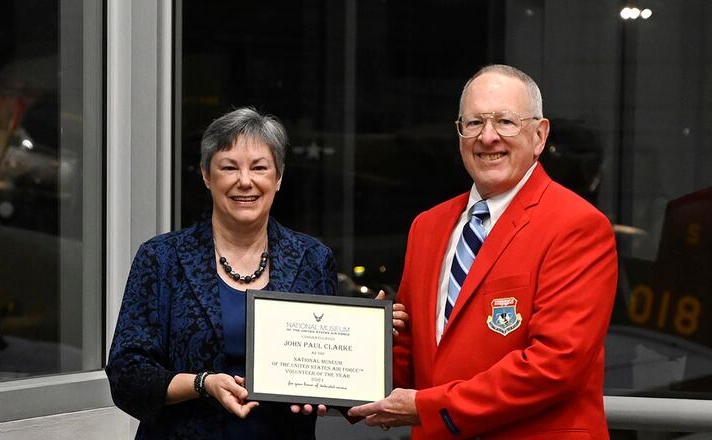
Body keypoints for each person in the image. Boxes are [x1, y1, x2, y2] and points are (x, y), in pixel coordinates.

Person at [349, 65, 618, 439]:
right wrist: (344, 370)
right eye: (474, 123)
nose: (487, 137)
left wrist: (429, 407)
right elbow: (411, 357)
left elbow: (554, 366)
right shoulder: (428, 227)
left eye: (505, 122)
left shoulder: (577, 226)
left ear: (539, 136)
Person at [106, 107, 338, 439]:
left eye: (260, 167)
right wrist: (204, 383)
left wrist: (369, 339)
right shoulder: (162, 258)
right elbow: (127, 375)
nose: (245, 181)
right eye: (229, 167)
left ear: (279, 177)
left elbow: (329, 368)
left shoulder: (313, 259)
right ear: (206, 175)